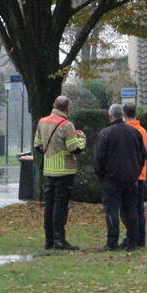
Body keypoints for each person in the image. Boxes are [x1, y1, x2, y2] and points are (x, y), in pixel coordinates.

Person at [33, 95, 86, 250]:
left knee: (49, 205)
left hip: (49, 171)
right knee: (60, 206)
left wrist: (50, 153)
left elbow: (38, 145)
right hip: (64, 171)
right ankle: (59, 240)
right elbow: (74, 148)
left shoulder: (42, 122)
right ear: (67, 108)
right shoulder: (67, 124)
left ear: (54, 105)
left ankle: (48, 240)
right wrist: (82, 138)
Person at [94, 104, 146, 252]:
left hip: (111, 179)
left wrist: (101, 175)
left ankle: (112, 242)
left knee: (112, 210)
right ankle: (132, 242)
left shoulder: (105, 134)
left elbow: (99, 158)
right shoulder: (135, 132)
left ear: (110, 116)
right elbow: (142, 155)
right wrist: (136, 172)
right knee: (130, 210)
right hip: (131, 178)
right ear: (122, 115)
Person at [122, 103, 147, 248]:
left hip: (132, 174)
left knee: (130, 209)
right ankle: (140, 238)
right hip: (141, 173)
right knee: (139, 210)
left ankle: (132, 237)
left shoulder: (129, 131)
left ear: (124, 115)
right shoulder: (142, 130)